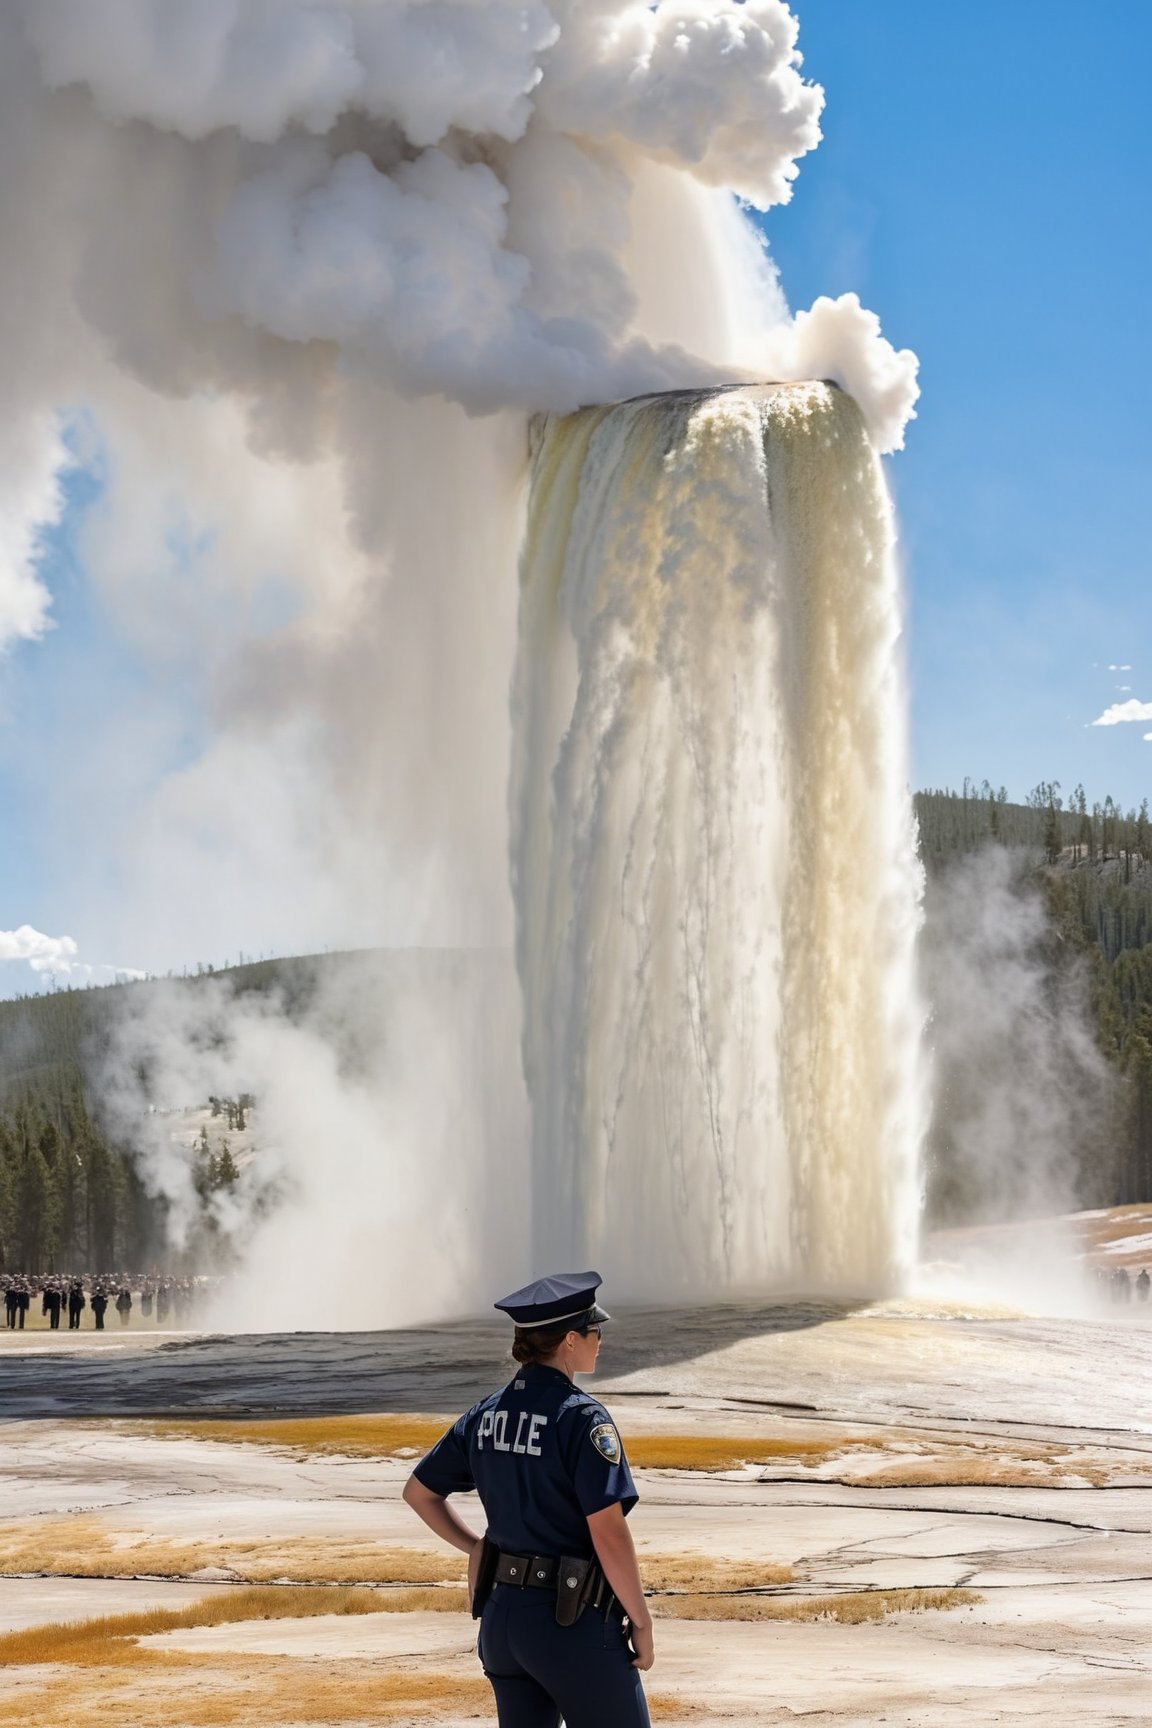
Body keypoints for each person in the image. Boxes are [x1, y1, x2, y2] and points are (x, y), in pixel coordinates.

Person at [403, 1271, 652, 1728]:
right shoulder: (581, 1418)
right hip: (569, 1625)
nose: (601, 1340)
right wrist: (642, 1620)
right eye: (596, 1331)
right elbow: (608, 1532)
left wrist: (477, 1545)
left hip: (501, 1624)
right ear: (570, 1341)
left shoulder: (485, 1413)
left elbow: (419, 1493)